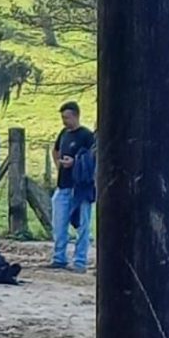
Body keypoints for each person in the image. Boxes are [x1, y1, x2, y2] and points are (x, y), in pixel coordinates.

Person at [50, 102, 96, 272]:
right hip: (63, 185)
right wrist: (58, 165)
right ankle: (59, 257)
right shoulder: (63, 133)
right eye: (62, 117)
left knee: (83, 225)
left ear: (76, 116)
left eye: (67, 117)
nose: (64, 121)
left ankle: (80, 261)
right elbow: (55, 150)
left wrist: (75, 163)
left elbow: (92, 159)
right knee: (59, 223)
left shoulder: (87, 136)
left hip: (80, 187)